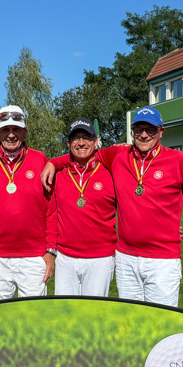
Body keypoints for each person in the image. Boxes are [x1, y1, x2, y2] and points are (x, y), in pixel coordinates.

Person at [43, 107, 183, 307]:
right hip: (126, 258)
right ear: (132, 132)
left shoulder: (179, 160)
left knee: (161, 322)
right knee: (129, 322)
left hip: (162, 259)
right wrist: (53, 162)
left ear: (161, 131)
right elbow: (80, 155)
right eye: (139, 129)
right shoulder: (118, 155)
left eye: (151, 130)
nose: (144, 135)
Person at [0, 106, 58, 299]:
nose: (11, 135)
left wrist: (51, 251)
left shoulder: (40, 160)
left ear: (25, 131)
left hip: (34, 256)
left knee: (34, 318)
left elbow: (51, 210)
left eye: (16, 130)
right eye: (5, 130)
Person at [47, 118, 117, 296]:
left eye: (86, 137)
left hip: (100, 259)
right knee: (66, 314)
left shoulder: (111, 170)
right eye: (76, 138)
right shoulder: (58, 174)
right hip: (65, 258)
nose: (81, 143)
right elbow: (50, 214)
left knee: (94, 315)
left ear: (96, 141)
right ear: (69, 143)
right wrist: (53, 162)